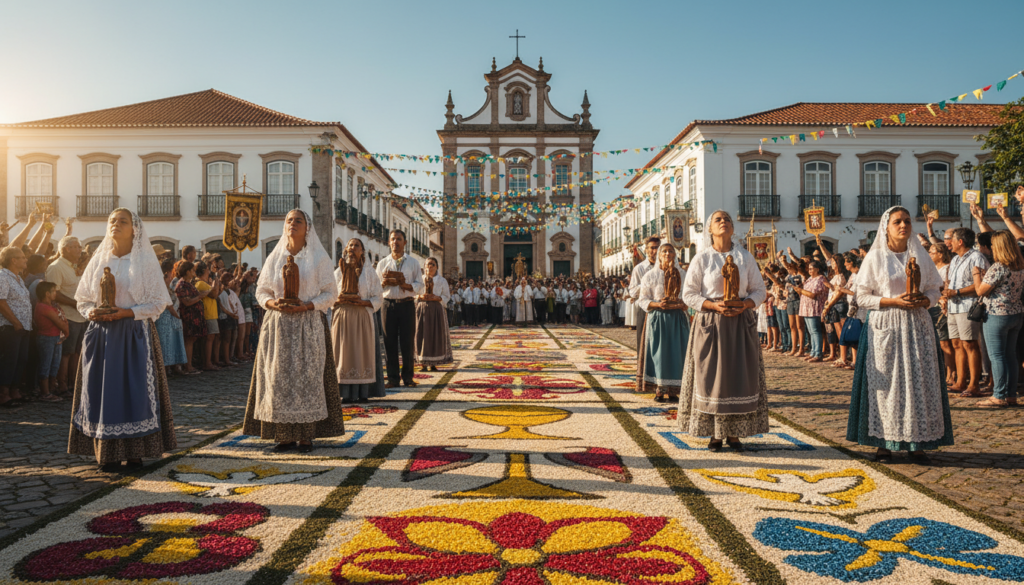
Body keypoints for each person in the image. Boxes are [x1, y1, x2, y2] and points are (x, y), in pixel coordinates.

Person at [68, 209, 177, 471]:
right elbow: (82, 298)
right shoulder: (98, 260)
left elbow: (160, 302)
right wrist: (89, 312)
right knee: (103, 393)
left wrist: (128, 312)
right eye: (112, 221)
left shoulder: (143, 262)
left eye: (123, 221)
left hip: (133, 333)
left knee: (133, 391)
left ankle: (136, 452)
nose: (116, 225)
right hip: (102, 334)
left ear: (134, 229)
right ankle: (107, 453)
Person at [847, 206, 952, 463]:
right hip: (886, 325)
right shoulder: (875, 258)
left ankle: (918, 442)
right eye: (897, 222)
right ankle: (883, 444)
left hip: (917, 326)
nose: (903, 225)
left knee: (919, 384)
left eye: (906, 221)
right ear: (887, 227)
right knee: (887, 387)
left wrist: (924, 301)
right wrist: (894, 302)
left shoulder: (921, 255)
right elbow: (861, 296)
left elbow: (935, 289)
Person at [243, 209, 345, 453]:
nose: (293, 224)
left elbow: (330, 293)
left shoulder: (319, 258)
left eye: (298, 220)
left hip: (307, 325)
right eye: (289, 220)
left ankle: (307, 436)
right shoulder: (275, 257)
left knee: (307, 378)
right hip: (278, 326)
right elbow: (261, 291)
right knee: (279, 379)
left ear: (307, 227)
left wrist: (308, 305)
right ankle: (283, 435)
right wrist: (272, 303)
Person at [678, 210, 768, 451]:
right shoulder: (702, 259)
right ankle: (714, 433)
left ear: (732, 228)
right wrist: (712, 305)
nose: (723, 222)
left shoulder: (745, 257)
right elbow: (688, 294)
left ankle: (735, 433)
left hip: (740, 322)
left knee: (738, 377)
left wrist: (745, 304)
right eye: (718, 219)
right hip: (711, 322)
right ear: (710, 229)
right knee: (712, 378)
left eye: (727, 219)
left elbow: (760, 291)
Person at [973, 231, 1024, 407]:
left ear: (1000, 247)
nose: (992, 247)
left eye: (994, 244)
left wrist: (976, 275)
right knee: (1010, 356)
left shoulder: (998, 267)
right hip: (1015, 313)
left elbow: (980, 291)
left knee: (997, 356)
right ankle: (1011, 395)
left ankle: (999, 395)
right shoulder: (1019, 265)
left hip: (997, 314)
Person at [332, 238, 385, 403]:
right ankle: (345, 393)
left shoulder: (370, 274)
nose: (352, 248)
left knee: (362, 354)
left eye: (356, 246)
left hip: (362, 316)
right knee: (344, 354)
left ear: (362, 251)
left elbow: (378, 297)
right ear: (345, 250)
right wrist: (338, 299)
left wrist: (364, 302)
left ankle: (363, 392)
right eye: (350, 245)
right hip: (343, 317)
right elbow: (329, 295)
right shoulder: (338, 273)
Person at [637, 244, 689, 402]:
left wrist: (683, 303)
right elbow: (643, 300)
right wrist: (658, 304)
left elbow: (689, 295)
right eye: (664, 251)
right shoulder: (650, 276)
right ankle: (659, 389)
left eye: (671, 251)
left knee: (678, 353)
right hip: (658, 318)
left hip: (677, 318)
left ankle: (675, 390)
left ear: (675, 255)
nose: (667, 254)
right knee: (660, 354)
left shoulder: (683, 274)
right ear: (659, 255)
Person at [376, 230, 425, 388]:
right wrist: (383, 283)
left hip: (406, 304)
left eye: (399, 239)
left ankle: (408, 377)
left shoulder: (413, 263)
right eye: (392, 239)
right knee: (389, 342)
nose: (395, 242)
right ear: (389, 242)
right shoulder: (383, 263)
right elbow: (375, 287)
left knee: (407, 342)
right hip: (388, 304)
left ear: (405, 242)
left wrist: (406, 285)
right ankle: (392, 378)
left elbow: (420, 285)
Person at [943, 228, 988, 396]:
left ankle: (974, 384)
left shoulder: (977, 257)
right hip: (953, 306)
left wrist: (958, 292)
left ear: (960, 242)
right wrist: (947, 293)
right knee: (956, 344)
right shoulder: (955, 260)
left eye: (951, 240)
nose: (949, 243)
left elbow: (981, 283)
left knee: (970, 343)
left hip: (967, 306)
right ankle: (960, 381)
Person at [45, 236, 85, 397]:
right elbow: (54, 294)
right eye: (77, 247)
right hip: (67, 316)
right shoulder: (56, 267)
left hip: (80, 316)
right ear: (67, 249)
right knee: (66, 353)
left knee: (77, 352)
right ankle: (62, 386)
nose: (80, 250)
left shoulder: (73, 266)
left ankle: (72, 384)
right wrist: (75, 303)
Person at [0, 246, 31, 407]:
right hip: (10, 326)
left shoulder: (19, 278)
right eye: (22, 257)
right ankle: (3, 394)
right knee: (10, 360)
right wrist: (15, 322)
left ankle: (14, 390)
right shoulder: (3, 276)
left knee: (21, 359)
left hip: (24, 326)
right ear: (13, 260)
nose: (26, 259)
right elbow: (1, 301)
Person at [415, 257, 453, 371]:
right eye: (427, 264)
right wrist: (420, 296)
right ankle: (423, 362)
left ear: (437, 267)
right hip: (422, 308)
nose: (430, 267)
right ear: (424, 267)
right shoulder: (419, 280)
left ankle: (434, 362)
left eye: (432, 264)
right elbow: (412, 294)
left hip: (437, 310)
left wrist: (437, 298)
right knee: (422, 335)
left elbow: (447, 296)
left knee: (435, 335)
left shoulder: (442, 281)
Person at [34, 281, 67, 402]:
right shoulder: (43, 307)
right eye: (54, 291)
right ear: (47, 294)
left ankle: (52, 389)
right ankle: (45, 392)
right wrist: (66, 331)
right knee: (46, 365)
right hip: (46, 338)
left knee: (55, 364)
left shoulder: (53, 306)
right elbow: (59, 322)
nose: (55, 294)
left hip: (56, 337)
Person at [155, 258, 188, 374]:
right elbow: (168, 305)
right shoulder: (160, 287)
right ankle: (165, 367)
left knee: (175, 341)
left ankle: (175, 365)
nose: (171, 276)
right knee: (165, 342)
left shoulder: (170, 286)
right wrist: (178, 316)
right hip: (165, 317)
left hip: (173, 318)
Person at [927, 243, 954, 384]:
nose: (930, 255)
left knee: (945, 342)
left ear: (941, 254)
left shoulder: (946, 268)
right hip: (933, 306)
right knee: (938, 342)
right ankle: (943, 372)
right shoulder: (932, 269)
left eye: (932, 252)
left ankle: (951, 374)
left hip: (942, 307)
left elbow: (946, 288)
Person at [173, 261, 206, 375]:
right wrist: (200, 296)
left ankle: (189, 364)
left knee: (192, 340)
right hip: (188, 317)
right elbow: (186, 302)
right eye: (192, 270)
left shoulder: (189, 283)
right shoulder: (182, 285)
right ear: (187, 271)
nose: (194, 272)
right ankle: (188, 366)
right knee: (189, 341)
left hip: (194, 316)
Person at [793, 260, 829, 363]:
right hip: (806, 308)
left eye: (811, 269)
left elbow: (813, 294)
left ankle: (818, 353)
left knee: (815, 331)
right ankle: (813, 351)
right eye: (809, 269)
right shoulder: (809, 279)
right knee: (811, 331)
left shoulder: (821, 279)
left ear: (817, 269)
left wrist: (801, 291)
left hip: (815, 308)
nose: (809, 271)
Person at [629, 237, 661, 348]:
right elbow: (632, 291)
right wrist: (646, 284)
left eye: (657, 248)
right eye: (652, 248)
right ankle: (642, 365)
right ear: (646, 250)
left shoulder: (665, 267)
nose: (655, 251)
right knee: (644, 343)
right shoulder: (639, 269)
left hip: (662, 308)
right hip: (645, 309)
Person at [194, 262, 221, 371]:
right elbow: (214, 294)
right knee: (209, 339)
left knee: (211, 338)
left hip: (211, 313)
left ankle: (209, 361)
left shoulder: (204, 283)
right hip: (208, 314)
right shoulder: (201, 283)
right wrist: (216, 278)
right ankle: (207, 363)